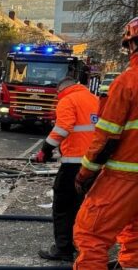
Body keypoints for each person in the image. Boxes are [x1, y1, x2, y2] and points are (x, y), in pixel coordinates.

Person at [73, 17, 138, 268]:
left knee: (91, 236)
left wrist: (85, 174)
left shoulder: (128, 81)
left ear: (130, 44)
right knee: (134, 239)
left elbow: (106, 137)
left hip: (125, 177)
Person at [32, 77, 98, 261]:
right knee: (83, 206)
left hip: (73, 163)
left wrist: (45, 150)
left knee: (63, 205)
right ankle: (82, 245)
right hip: (94, 162)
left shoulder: (67, 100)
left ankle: (63, 248)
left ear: (61, 89)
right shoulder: (94, 99)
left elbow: (63, 127)